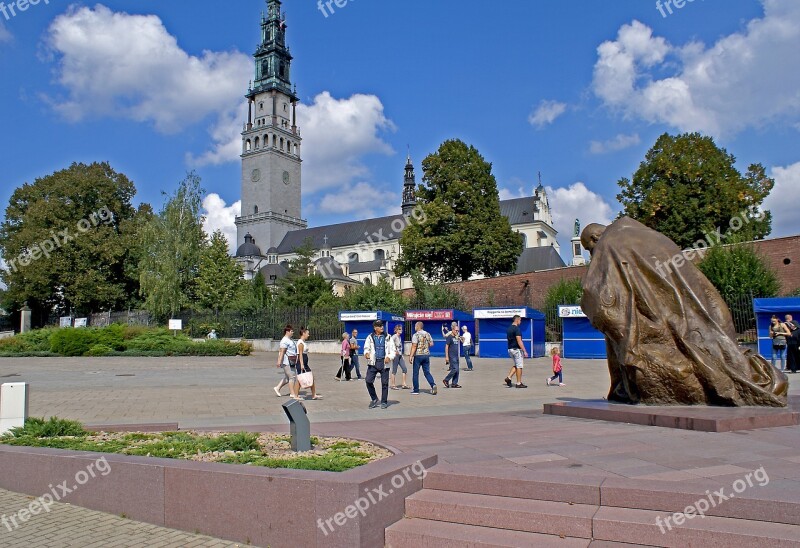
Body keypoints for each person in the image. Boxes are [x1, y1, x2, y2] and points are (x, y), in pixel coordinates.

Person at [580, 218, 787, 406]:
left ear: (595, 238)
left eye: (590, 249)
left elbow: (597, 295)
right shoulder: (642, 232)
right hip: (689, 301)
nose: (593, 255)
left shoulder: (607, 243)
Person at [363, 320, 396, 409]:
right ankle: (374, 398)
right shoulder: (370, 337)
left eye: (382, 325)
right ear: (375, 328)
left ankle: (384, 401)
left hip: (384, 362)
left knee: (385, 383)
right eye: (379, 326)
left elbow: (393, 350)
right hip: (373, 363)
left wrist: (389, 357)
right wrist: (366, 353)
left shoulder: (388, 337)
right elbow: (366, 348)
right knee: (368, 381)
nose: (382, 327)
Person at [410, 321, 437, 395]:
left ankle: (416, 390)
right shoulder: (427, 334)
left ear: (418, 326)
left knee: (415, 373)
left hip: (418, 355)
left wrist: (411, 356)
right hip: (426, 355)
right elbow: (431, 344)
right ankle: (433, 384)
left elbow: (414, 346)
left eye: (415, 326)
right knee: (427, 372)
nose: (415, 327)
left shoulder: (416, 335)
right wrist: (426, 345)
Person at [295, 327, 322, 400]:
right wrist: (302, 364)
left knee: (310, 377)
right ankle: (296, 396)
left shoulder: (303, 342)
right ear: (303, 333)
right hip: (301, 362)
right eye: (307, 333)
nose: (308, 335)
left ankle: (314, 395)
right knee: (300, 379)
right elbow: (300, 354)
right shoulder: (300, 343)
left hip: (304, 362)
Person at [504, 315, 528, 388]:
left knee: (517, 365)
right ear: (517, 320)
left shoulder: (508, 329)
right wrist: (524, 351)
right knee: (520, 366)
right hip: (516, 350)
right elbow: (519, 341)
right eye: (520, 320)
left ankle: (509, 377)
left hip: (510, 349)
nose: (520, 322)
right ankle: (518, 383)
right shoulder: (517, 329)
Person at [274, 325, 299, 399]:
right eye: (291, 331)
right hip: (287, 361)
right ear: (287, 332)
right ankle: (292, 393)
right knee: (292, 377)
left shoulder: (290, 340)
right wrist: (279, 361)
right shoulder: (284, 340)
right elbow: (282, 351)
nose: (292, 332)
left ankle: (277, 388)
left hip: (292, 360)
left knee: (288, 378)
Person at [390, 324, 409, 390]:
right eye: (400, 329)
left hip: (400, 355)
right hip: (396, 356)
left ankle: (404, 384)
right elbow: (389, 344)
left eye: (401, 329)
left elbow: (400, 347)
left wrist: (402, 355)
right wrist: (394, 351)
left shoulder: (399, 337)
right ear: (396, 330)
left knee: (405, 369)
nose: (401, 330)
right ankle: (393, 385)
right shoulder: (394, 336)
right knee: (394, 370)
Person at [443, 324, 462, 388]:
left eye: (458, 331)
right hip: (451, 356)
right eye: (456, 330)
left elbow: (462, 341)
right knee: (455, 369)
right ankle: (446, 380)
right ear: (453, 330)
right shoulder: (449, 337)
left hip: (456, 356)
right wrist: (446, 357)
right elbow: (446, 347)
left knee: (457, 370)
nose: (457, 332)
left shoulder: (456, 337)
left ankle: (454, 383)